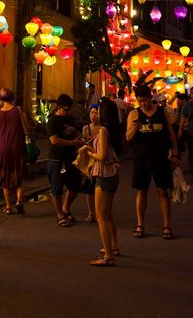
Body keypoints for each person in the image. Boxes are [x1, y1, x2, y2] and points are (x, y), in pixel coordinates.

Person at [126, 84, 179, 239]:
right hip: (142, 159)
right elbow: (128, 137)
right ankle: (140, 224)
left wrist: (175, 153)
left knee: (163, 191)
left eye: (145, 100)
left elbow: (170, 134)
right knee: (142, 191)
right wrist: (134, 129)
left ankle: (167, 226)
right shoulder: (134, 114)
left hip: (160, 157)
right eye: (140, 100)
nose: (143, 103)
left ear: (151, 98)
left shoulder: (161, 112)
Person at [82, 98, 121, 266]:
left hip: (104, 175)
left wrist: (90, 153)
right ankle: (113, 247)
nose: (97, 112)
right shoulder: (113, 129)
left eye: (100, 110)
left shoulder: (104, 131)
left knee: (100, 216)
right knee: (108, 213)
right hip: (111, 175)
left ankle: (108, 256)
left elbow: (102, 157)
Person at [46, 93, 83, 227]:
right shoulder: (53, 121)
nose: (68, 112)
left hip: (71, 158)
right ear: (59, 107)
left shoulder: (70, 119)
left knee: (75, 186)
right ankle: (60, 215)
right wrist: (72, 143)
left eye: (70, 109)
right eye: (66, 110)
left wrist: (84, 139)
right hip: (57, 159)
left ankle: (65, 208)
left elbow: (78, 132)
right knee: (56, 189)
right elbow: (54, 140)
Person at [0, 87, 28, 215]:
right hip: (17, 146)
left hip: (2, 147)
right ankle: (19, 201)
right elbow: (26, 126)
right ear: (12, 98)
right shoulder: (17, 110)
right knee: (17, 175)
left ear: (1, 99)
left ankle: (8, 207)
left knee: (4, 177)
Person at [81, 106, 100, 223]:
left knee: (99, 188)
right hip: (90, 161)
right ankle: (91, 213)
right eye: (92, 113)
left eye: (96, 113)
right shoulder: (86, 128)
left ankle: (99, 213)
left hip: (100, 160)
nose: (94, 115)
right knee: (89, 188)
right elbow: (83, 143)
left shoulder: (103, 128)